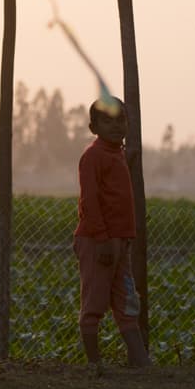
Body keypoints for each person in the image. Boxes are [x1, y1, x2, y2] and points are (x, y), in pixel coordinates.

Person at [74, 98, 151, 372]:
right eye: (108, 121)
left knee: (127, 301)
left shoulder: (118, 154)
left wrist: (124, 239)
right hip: (98, 241)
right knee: (94, 299)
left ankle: (140, 362)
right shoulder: (93, 156)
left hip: (120, 241)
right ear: (94, 126)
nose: (116, 126)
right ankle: (94, 363)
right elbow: (90, 202)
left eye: (121, 120)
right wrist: (103, 239)